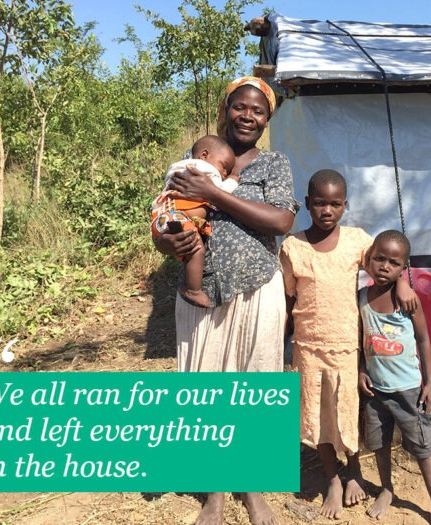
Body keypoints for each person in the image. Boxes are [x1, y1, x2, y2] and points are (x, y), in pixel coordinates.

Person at [153, 76, 300, 525]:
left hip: (257, 289)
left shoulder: (274, 164)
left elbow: (281, 221)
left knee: (254, 387)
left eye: (258, 110)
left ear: (267, 118)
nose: (248, 116)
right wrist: (168, 244)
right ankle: (214, 493)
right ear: (226, 108)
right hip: (202, 295)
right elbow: (165, 212)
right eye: (240, 107)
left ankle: (252, 488)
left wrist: (214, 194)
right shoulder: (196, 159)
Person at [279, 170, 417, 519]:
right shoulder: (293, 247)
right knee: (318, 414)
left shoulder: (357, 241)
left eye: (336, 204)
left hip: (346, 345)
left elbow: (385, 261)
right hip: (308, 347)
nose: (328, 210)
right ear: (308, 204)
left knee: (345, 410)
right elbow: (286, 299)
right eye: (320, 203)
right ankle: (333, 479)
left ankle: (353, 470)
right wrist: (281, 341)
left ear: (345, 205)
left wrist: (402, 282)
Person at [358, 230, 431, 525]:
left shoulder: (409, 302)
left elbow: (425, 340)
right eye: (379, 259)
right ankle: (387, 488)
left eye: (394, 263)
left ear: (404, 268)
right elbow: (360, 338)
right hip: (376, 391)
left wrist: (429, 382)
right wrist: (361, 369)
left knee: (423, 446)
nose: (385, 266)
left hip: (409, 389)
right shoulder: (361, 298)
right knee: (379, 443)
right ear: (369, 260)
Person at [151, 134, 236, 308]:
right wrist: (232, 182)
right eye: (224, 166)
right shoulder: (202, 169)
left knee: (188, 248)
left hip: (165, 216)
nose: (225, 173)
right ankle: (192, 290)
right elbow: (218, 191)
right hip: (178, 216)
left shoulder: (180, 168)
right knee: (196, 247)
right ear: (204, 155)